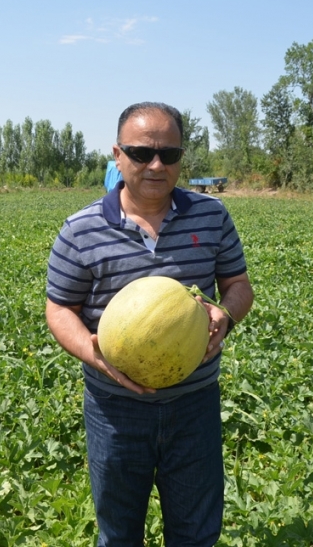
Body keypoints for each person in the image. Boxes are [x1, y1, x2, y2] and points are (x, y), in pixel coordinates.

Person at [45, 101, 253, 546]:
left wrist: (226, 312)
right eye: (141, 153)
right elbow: (59, 308)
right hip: (114, 409)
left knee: (196, 534)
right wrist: (93, 353)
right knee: (119, 535)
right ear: (117, 155)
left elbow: (238, 285)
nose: (156, 165)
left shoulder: (212, 216)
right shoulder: (80, 229)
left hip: (193, 404)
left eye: (170, 155)